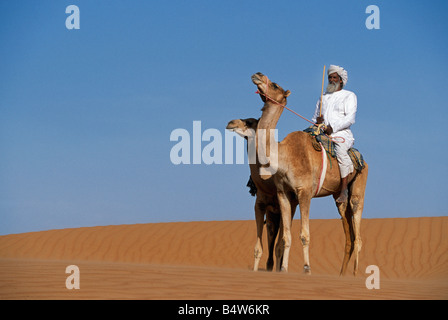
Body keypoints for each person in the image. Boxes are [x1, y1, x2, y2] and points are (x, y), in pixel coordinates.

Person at [312, 65, 357, 203]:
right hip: (322, 132)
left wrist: (333, 128)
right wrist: (317, 122)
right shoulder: (323, 97)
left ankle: (344, 189)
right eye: (330, 77)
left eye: (334, 77)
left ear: (341, 80)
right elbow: (314, 118)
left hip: (341, 134)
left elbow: (350, 118)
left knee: (341, 151)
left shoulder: (349, 96)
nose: (332, 80)